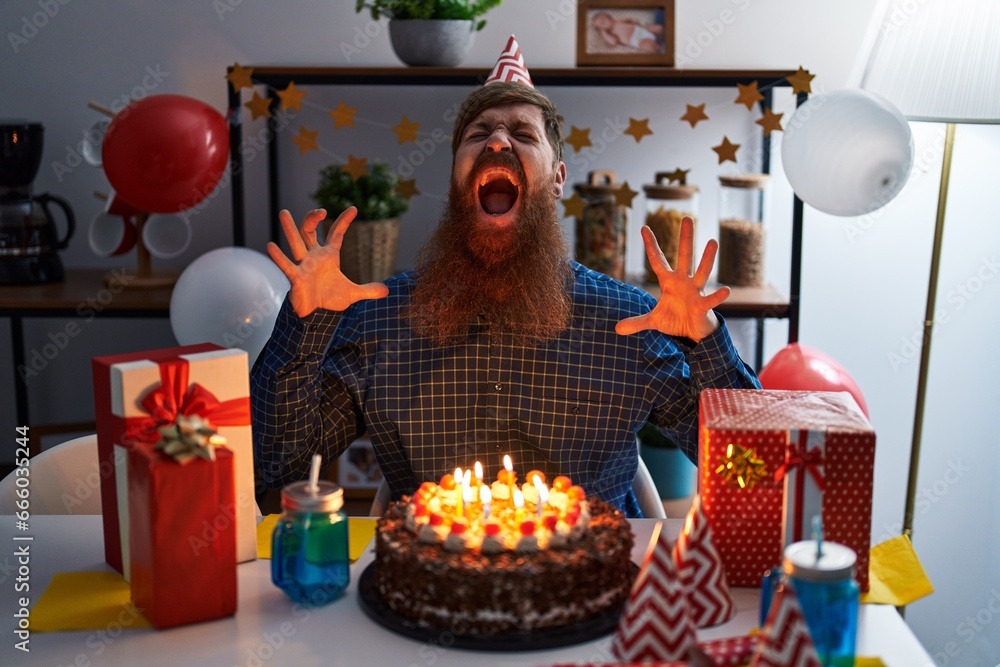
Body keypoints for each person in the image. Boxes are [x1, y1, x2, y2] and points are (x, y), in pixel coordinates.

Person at [251, 37, 759, 517]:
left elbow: (748, 470)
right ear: (456, 178)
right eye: (479, 134)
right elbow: (281, 466)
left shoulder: (626, 323)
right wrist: (306, 326)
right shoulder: (381, 318)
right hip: (434, 586)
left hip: (591, 585)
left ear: (558, 179)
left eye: (521, 133)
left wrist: (706, 341)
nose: (497, 141)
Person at [591, 11, 664, 54]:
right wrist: (604, 33)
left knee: (659, 28)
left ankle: (665, 36)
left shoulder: (618, 21)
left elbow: (628, 19)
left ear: (609, 17)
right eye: (599, 26)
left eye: (602, 20)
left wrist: (633, 20)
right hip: (636, 40)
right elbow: (613, 42)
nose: (601, 24)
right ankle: (660, 47)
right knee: (649, 45)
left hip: (640, 29)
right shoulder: (610, 33)